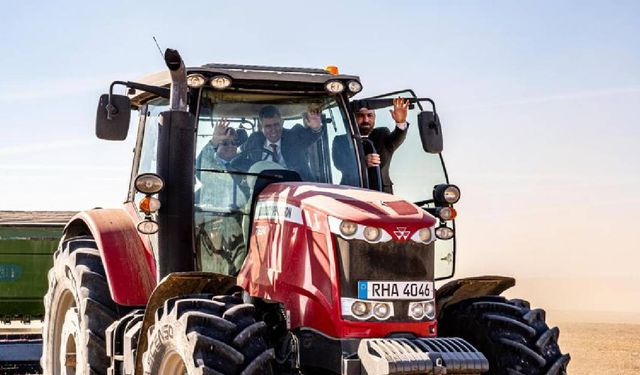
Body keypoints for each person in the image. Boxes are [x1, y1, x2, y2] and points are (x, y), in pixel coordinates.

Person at [333, 97, 409, 194]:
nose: (366, 119)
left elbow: (398, 138)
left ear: (374, 118)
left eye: (370, 115)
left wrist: (401, 122)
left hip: (383, 193)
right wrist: (362, 162)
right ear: (352, 118)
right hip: (352, 192)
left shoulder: (382, 134)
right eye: (360, 116)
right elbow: (340, 164)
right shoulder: (340, 140)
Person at [240, 105, 324, 180]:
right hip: (263, 191)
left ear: (282, 122)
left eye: (276, 124)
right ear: (261, 127)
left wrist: (316, 127)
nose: (273, 130)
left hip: (298, 188)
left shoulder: (294, 136)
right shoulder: (254, 140)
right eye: (268, 126)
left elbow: (311, 135)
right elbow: (239, 153)